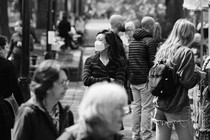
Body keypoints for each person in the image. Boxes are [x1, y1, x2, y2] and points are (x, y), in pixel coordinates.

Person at [153, 19, 206, 140]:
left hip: (160, 101)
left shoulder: (163, 49)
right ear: (190, 34)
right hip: (178, 103)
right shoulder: (186, 52)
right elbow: (187, 81)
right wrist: (198, 75)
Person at [12, 60, 74, 140]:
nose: (66, 87)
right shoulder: (28, 113)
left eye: (66, 82)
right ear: (47, 85)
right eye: (62, 83)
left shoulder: (67, 114)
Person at [57, 82, 128, 140]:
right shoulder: (71, 137)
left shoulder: (115, 137)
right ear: (101, 110)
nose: (123, 113)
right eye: (119, 108)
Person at [129, 16, 157, 140]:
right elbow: (153, 62)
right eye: (154, 25)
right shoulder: (150, 41)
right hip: (145, 80)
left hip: (133, 79)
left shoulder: (133, 41)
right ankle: (146, 135)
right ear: (150, 26)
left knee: (136, 106)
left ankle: (135, 134)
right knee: (147, 108)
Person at [0, 35, 24, 140]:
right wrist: (23, 106)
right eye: (5, 48)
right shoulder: (7, 65)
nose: (7, 51)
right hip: (2, 109)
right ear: (0, 49)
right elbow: (15, 89)